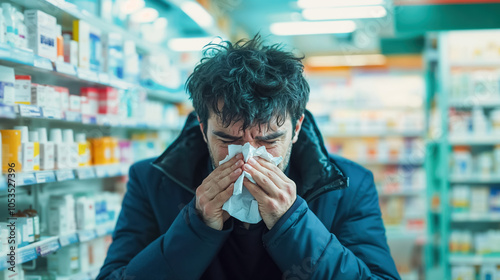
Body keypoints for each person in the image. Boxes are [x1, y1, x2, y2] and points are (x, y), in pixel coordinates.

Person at [96, 35, 400, 280]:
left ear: (296, 128)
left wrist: (293, 223)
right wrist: (196, 227)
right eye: (227, 139)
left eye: (269, 140)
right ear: (203, 129)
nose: (248, 157)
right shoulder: (153, 182)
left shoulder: (348, 186)